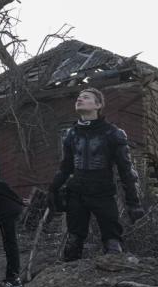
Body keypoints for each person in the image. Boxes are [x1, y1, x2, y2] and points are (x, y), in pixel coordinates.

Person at [50, 87, 145, 260]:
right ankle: (70, 283)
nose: (79, 99)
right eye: (78, 97)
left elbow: (126, 170)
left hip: (103, 193)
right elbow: (65, 167)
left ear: (98, 105)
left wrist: (134, 203)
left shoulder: (113, 133)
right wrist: (53, 190)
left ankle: (112, 280)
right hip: (76, 193)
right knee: (73, 242)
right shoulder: (71, 134)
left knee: (113, 243)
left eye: (86, 97)